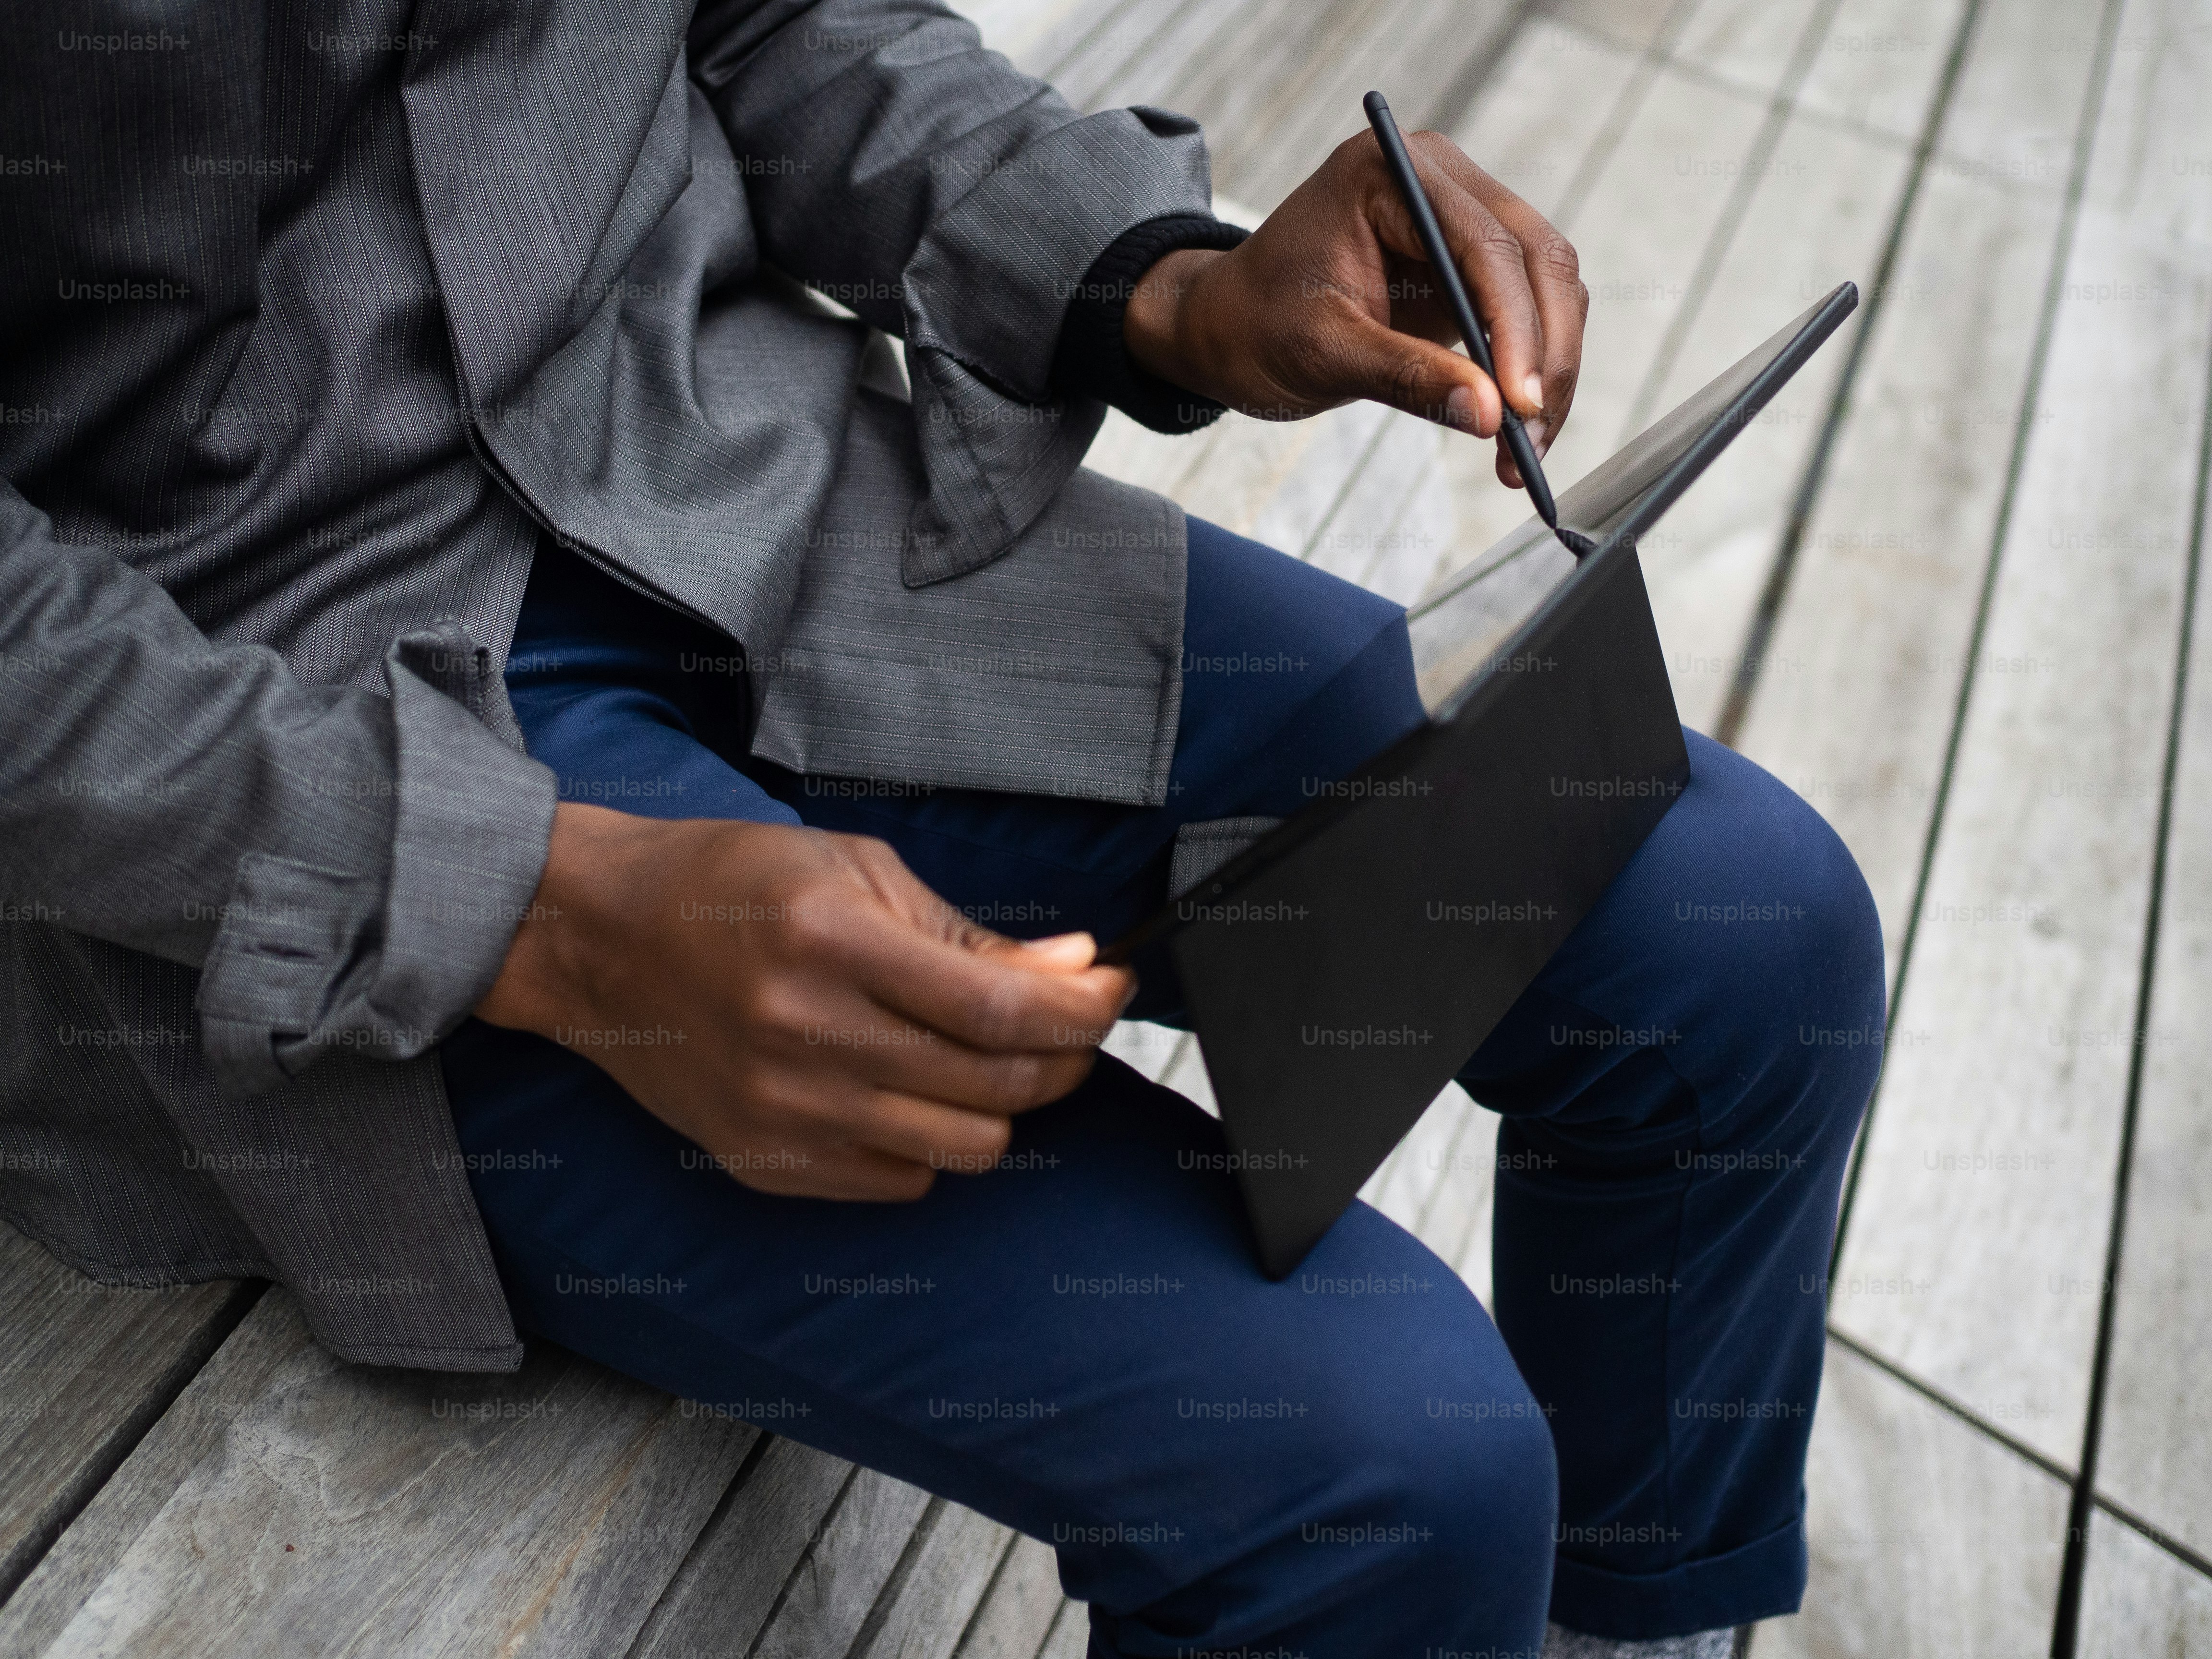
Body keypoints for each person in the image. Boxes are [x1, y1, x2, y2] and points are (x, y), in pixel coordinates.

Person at [0, 4, 1883, 1655]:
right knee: (1383, 1465)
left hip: (753, 485)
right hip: (257, 732)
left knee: (1745, 926)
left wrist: (1166, 280)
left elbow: (765, 23)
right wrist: (543, 909)